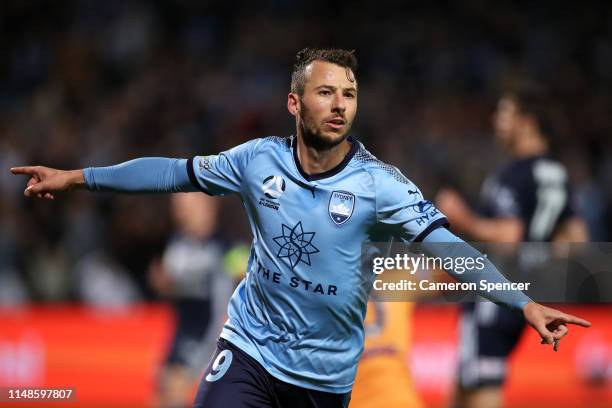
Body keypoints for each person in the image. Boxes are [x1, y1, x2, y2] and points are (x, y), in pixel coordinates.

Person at [11, 49, 590, 408]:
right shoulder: (256, 160)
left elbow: (450, 248)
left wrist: (522, 303)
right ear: (294, 102)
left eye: (350, 94)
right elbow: (170, 173)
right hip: (250, 351)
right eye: (326, 92)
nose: (340, 104)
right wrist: (78, 177)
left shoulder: (381, 184)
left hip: (325, 381)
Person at [436, 84, 589, 408]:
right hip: (524, 297)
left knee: (481, 390)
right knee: (464, 385)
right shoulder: (557, 174)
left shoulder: (513, 175)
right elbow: (576, 240)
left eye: (505, 113)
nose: (496, 120)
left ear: (527, 122)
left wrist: (461, 217)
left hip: (493, 297)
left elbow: (508, 237)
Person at [149, 193, 233, 408]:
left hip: (208, 332)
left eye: (187, 205)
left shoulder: (224, 247)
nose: (181, 211)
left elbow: (225, 296)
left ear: (209, 206)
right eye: (177, 206)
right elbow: (174, 288)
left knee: (176, 387)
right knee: (161, 392)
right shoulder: (176, 241)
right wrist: (163, 283)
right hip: (180, 330)